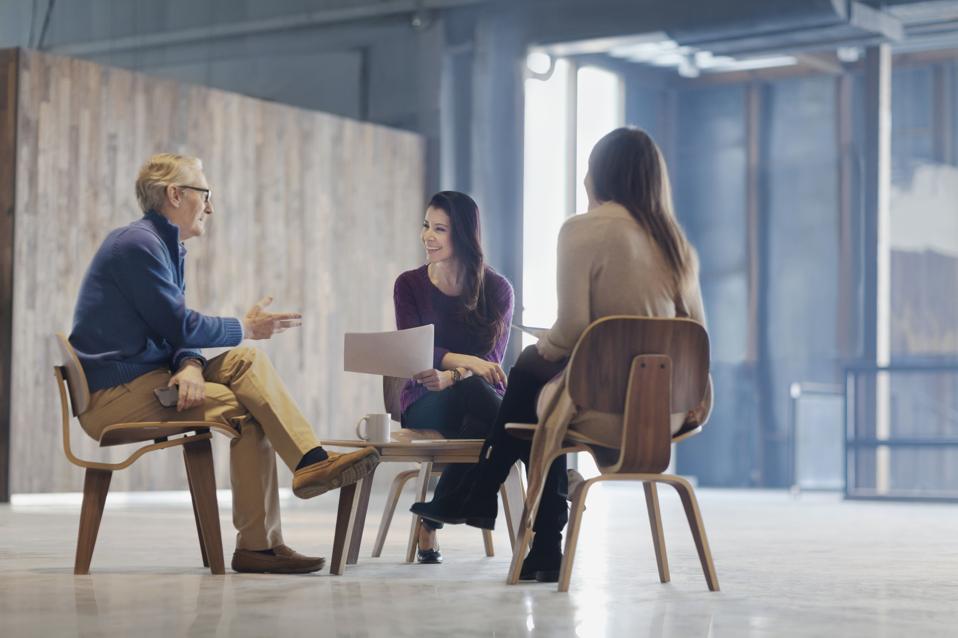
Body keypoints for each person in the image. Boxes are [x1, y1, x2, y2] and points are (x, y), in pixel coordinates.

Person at [411, 127, 711, 582]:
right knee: (540, 390)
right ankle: (505, 515)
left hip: (603, 409)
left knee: (534, 376)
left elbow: (571, 332)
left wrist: (543, 348)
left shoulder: (581, 230)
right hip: (667, 412)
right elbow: (697, 336)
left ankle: (491, 497)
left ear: (600, 176)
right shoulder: (677, 245)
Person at [69, 153, 380, 574]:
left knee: (245, 361)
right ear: (175, 194)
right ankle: (261, 542)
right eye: (206, 194)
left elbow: (174, 331)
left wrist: (191, 365)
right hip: (115, 395)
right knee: (247, 407)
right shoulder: (137, 246)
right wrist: (245, 326)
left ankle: (309, 465)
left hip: (147, 379)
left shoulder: (163, 247)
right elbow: (180, 323)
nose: (211, 207)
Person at [394, 190, 514, 564]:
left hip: (474, 402)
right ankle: (535, 453)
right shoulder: (409, 285)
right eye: (426, 226)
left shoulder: (498, 290)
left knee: (478, 408)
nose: (427, 236)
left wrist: (457, 374)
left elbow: (491, 366)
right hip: (423, 401)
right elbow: (414, 353)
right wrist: (465, 363)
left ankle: (435, 513)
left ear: (462, 234)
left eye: (440, 229)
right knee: (495, 414)